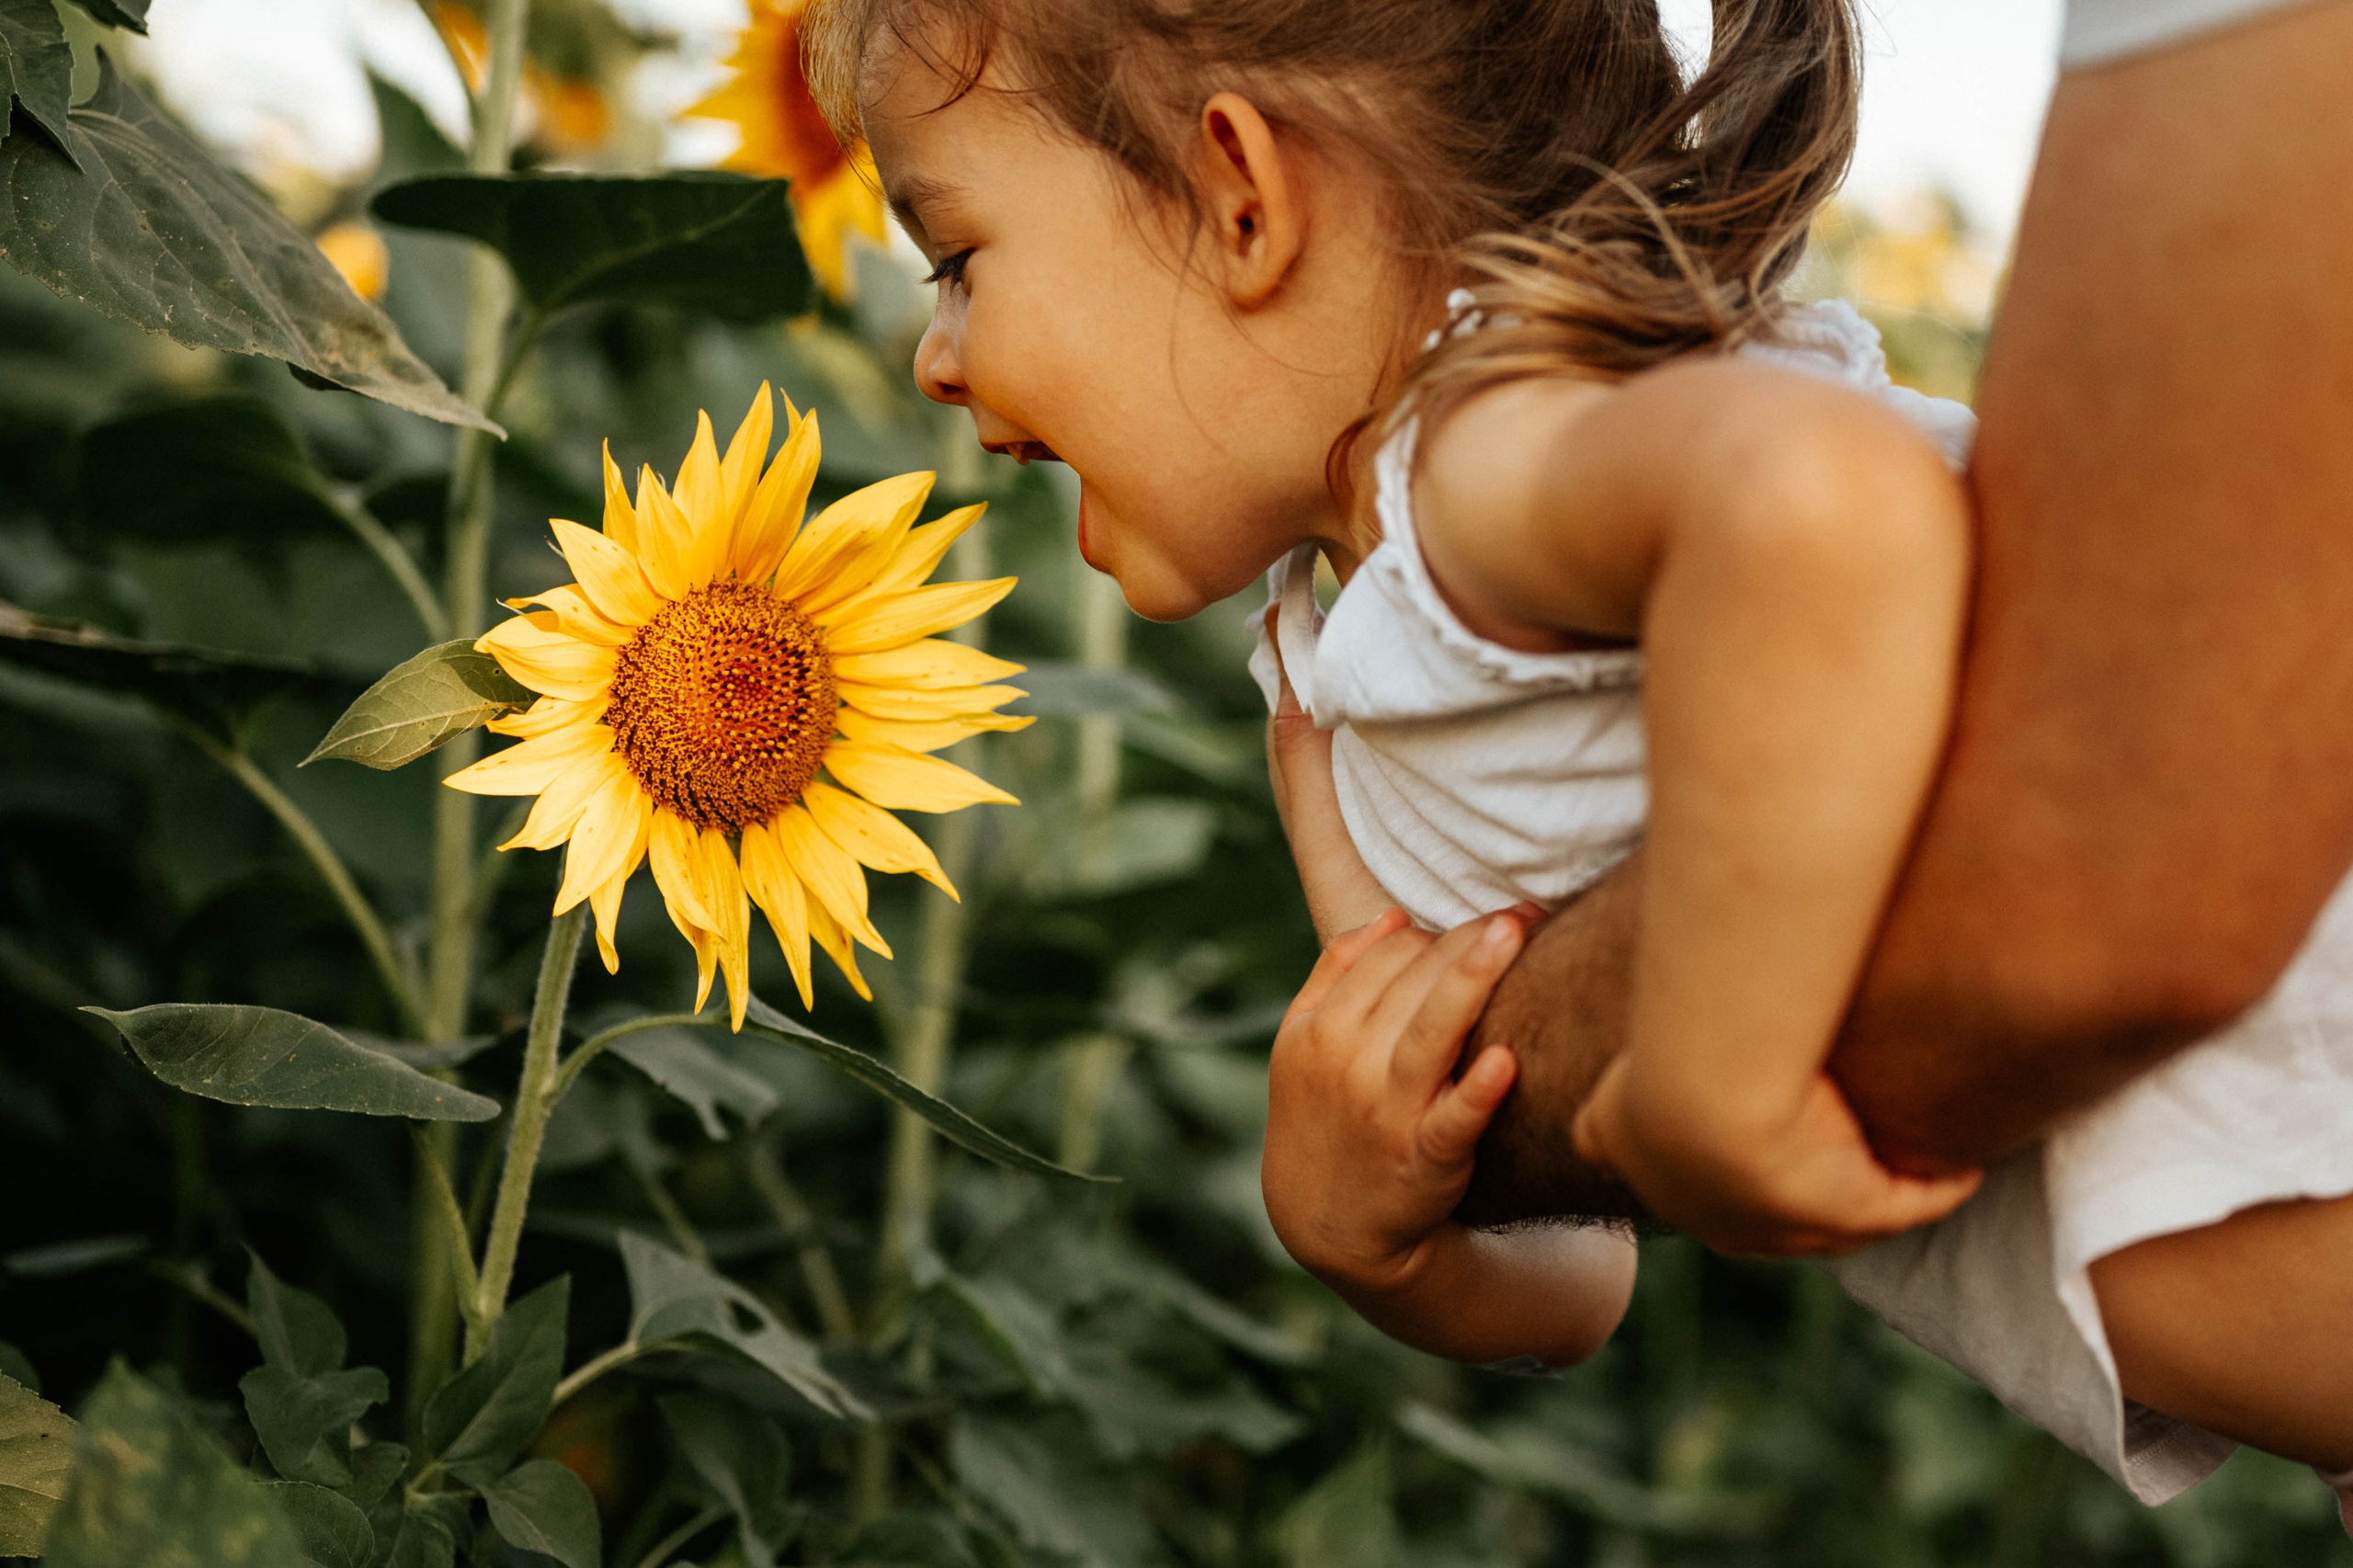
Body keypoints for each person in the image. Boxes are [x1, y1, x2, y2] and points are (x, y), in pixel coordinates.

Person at [805, 0, 2353, 1521]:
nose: (937, 358)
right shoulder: (1371, 669)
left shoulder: (1487, 452)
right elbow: (1581, 1256)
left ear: (1238, 200)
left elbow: (1837, 515)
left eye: (955, 259)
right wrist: (1384, 1235)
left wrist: (1716, 1076)